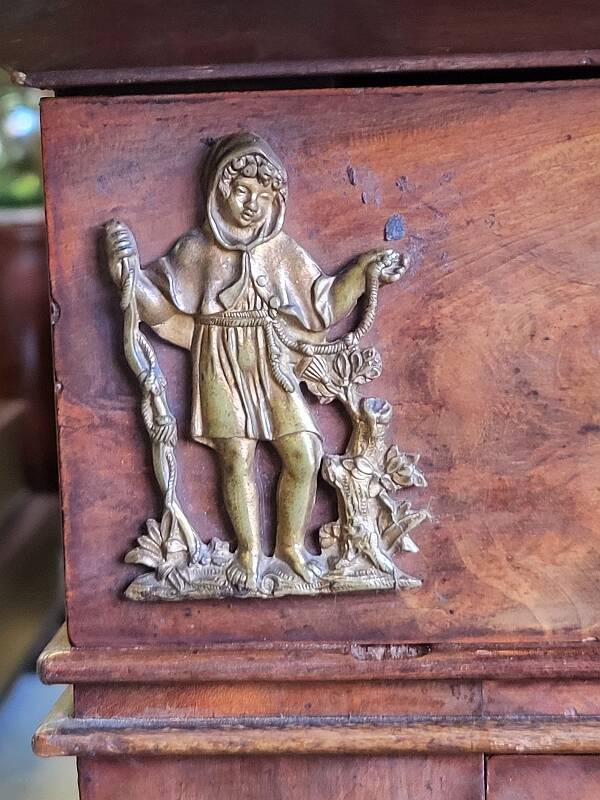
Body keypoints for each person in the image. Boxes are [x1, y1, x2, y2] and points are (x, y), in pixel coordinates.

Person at [107, 132, 405, 591]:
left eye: (263, 196)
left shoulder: (281, 251)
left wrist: (365, 270)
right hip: (219, 360)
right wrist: (126, 273)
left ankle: (289, 548)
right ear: (218, 192)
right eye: (242, 191)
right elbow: (163, 309)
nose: (252, 204)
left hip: (272, 361)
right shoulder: (196, 250)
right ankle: (248, 552)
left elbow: (321, 302)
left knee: (304, 454)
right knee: (237, 457)